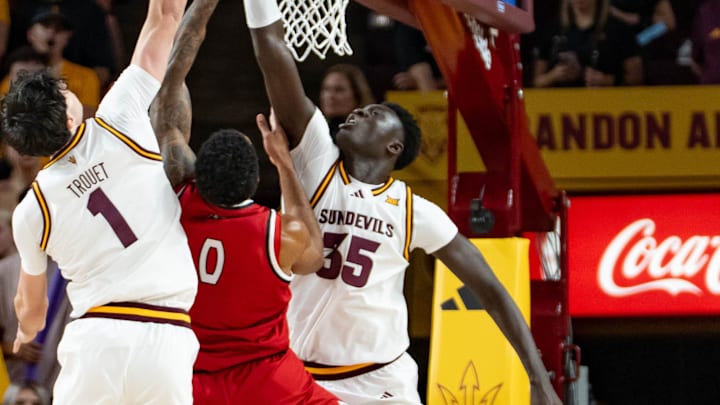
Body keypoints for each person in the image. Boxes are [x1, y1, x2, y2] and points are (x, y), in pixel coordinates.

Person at [244, 1, 562, 404]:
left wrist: (538, 380)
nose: (358, 111)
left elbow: (493, 291)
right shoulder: (317, 160)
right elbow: (272, 53)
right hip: (302, 378)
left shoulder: (414, 211)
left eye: (373, 113)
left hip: (380, 383)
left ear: (393, 146)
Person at [0, 0, 199, 402]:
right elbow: (164, 18)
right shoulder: (119, 116)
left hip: (95, 339)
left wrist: (23, 331)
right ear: (70, 116)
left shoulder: (31, 210)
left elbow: (32, 313)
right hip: (166, 336)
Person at [149, 0, 340, 403]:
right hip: (266, 376)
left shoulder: (179, 195)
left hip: (192, 377)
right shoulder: (280, 233)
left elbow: (168, 100)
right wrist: (286, 166)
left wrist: (200, 9)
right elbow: (315, 256)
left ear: (196, 173)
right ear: (256, 179)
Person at [533, 0, 643, 87]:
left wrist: (607, 80)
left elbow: (636, 78)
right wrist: (554, 76)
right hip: (559, 106)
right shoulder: (552, 29)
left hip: (607, 104)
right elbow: (536, 82)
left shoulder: (618, 29)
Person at [320, 64, 375, 139]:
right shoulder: (319, 132)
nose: (331, 96)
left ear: (357, 95)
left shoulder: (369, 135)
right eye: (327, 89)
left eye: (339, 90)